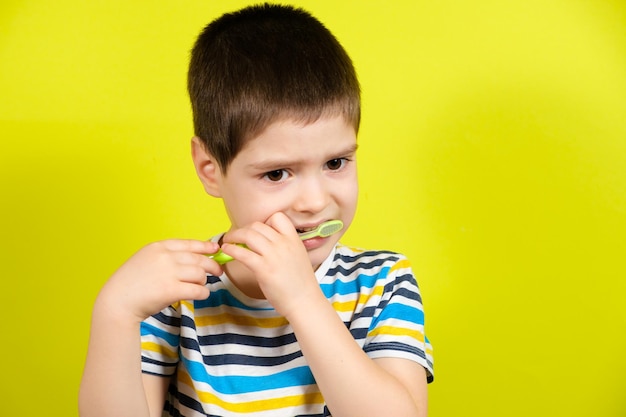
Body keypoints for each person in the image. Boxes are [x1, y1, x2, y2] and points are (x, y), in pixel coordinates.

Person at [79, 3, 434, 417]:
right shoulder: (176, 294)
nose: (315, 201)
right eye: (278, 173)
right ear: (210, 170)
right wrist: (115, 313)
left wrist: (302, 299)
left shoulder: (382, 283)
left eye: (335, 163)